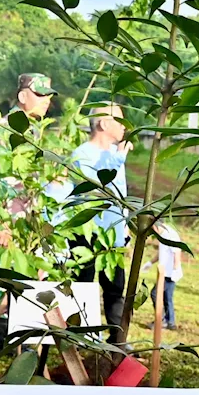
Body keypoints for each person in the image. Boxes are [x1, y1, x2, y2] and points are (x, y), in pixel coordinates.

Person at [61, 103, 132, 336]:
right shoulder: (81, 154)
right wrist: (119, 158)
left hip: (113, 235)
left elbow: (120, 194)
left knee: (115, 288)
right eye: (119, 120)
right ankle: (84, 337)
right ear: (103, 123)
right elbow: (93, 188)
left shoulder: (115, 155)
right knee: (83, 285)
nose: (124, 126)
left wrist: (125, 226)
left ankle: (118, 340)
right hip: (87, 232)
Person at [0, 73, 55, 249]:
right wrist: (1, 222)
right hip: (7, 220)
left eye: (48, 97)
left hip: (26, 219)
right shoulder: (4, 128)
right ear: (22, 96)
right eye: (40, 95)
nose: (46, 101)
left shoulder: (34, 131)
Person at [156, 220, 184, 330]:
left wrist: (176, 269)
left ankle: (164, 320)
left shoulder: (169, 234)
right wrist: (150, 262)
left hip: (170, 273)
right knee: (166, 297)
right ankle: (169, 322)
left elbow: (176, 251)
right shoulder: (162, 234)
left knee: (158, 295)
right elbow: (162, 252)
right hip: (164, 272)